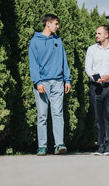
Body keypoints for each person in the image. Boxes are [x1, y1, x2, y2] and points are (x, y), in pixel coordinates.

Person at [29, 14, 71, 156]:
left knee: (57, 113)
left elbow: (64, 60)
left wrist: (68, 79)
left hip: (58, 82)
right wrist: (37, 82)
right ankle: (42, 146)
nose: (57, 26)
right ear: (48, 23)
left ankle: (59, 144)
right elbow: (33, 63)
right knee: (42, 115)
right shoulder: (35, 41)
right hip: (42, 84)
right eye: (55, 24)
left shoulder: (58, 40)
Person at [85, 25, 109, 156]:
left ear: (106, 35)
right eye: (96, 33)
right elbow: (88, 68)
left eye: (99, 33)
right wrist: (94, 77)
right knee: (98, 117)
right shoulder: (91, 50)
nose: (96, 35)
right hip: (96, 87)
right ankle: (100, 146)